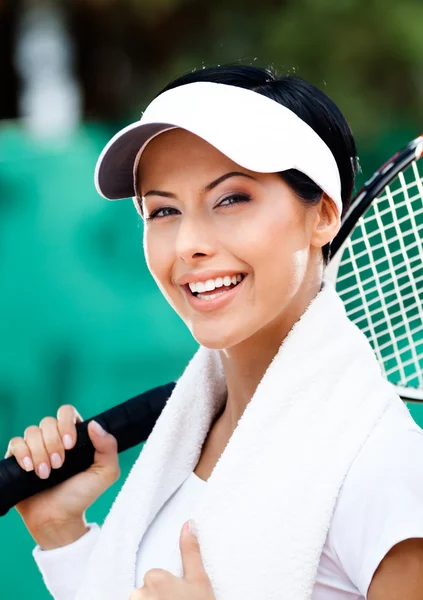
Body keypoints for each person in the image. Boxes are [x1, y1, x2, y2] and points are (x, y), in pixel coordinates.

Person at [6, 64, 423, 600]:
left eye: (231, 199)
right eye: (163, 211)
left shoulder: (387, 472)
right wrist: (64, 537)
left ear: (322, 213)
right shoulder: (189, 443)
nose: (188, 244)